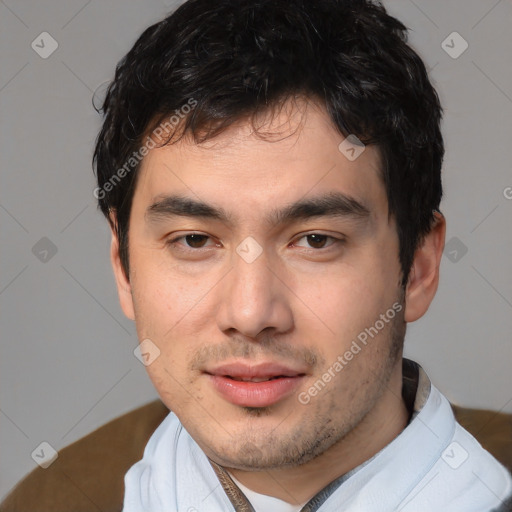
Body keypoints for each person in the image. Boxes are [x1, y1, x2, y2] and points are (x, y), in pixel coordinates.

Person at [92, 0, 512, 510]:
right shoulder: (53, 496)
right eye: (195, 240)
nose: (250, 314)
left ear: (419, 267)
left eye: (315, 240)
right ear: (124, 267)